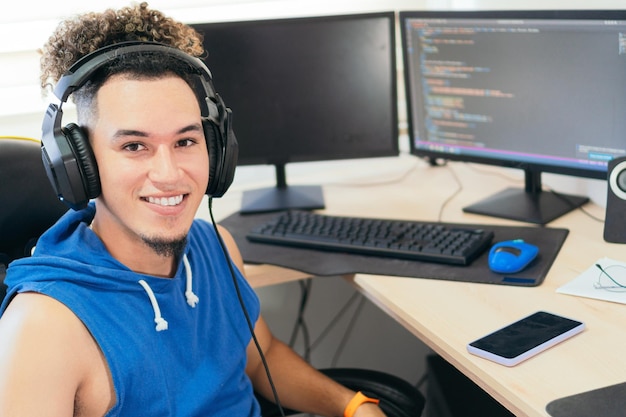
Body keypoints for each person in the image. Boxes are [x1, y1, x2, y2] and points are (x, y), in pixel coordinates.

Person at [0, 3, 387, 417]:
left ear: (217, 152)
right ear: (83, 167)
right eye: (134, 146)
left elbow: (260, 356)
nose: (168, 174)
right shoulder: (44, 328)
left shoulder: (216, 246)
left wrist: (352, 406)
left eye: (185, 141)